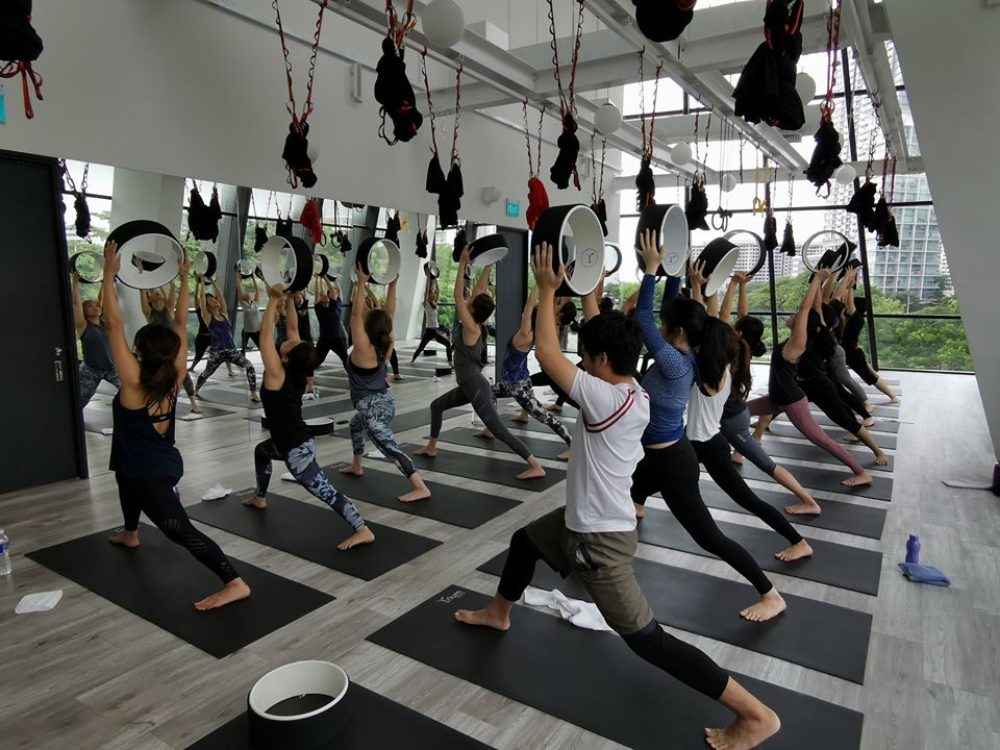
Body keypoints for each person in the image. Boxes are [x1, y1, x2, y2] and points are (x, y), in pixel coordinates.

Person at [455, 242, 781, 750]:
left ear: (601, 361)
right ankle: (500, 612)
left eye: (586, 357)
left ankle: (755, 715)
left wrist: (546, 290)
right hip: (578, 521)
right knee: (524, 541)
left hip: (600, 543)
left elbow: (545, 354)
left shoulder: (604, 397)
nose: (581, 364)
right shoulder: (632, 390)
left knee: (648, 640)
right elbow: (599, 339)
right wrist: (590, 289)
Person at [630, 230, 787, 622]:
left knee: (708, 536)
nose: (662, 325)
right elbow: (668, 313)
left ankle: (770, 594)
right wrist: (671, 271)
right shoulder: (686, 353)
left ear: (679, 331)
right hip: (656, 455)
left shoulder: (675, 362)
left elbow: (643, 320)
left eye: (668, 323)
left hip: (672, 461)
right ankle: (596, 555)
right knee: (624, 494)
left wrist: (651, 271)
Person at [100, 241, 249, 610]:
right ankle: (131, 533)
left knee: (178, 529)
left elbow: (114, 324)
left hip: (149, 472)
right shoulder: (174, 374)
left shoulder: (134, 384)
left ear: (140, 352)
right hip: (153, 461)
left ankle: (234, 582)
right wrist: (182, 279)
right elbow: (181, 323)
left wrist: (108, 273)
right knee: (123, 480)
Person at [687, 265, 813, 560]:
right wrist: (729, 286)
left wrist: (701, 288)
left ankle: (800, 531)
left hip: (724, 429)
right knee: (656, 471)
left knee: (755, 484)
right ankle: (637, 500)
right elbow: (722, 320)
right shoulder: (735, 351)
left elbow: (712, 320)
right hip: (713, 430)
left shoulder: (715, 366)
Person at [243, 286, 374, 550]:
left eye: (292, 343)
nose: (292, 338)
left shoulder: (276, 375)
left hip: (296, 451)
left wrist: (273, 300)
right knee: (262, 451)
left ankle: (363, 529)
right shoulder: (297, 368)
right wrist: (291, 298)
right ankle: (260, 497)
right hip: (292, 441)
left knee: (327, 493)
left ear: (285, 358)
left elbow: (265, 337)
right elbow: (292, 328)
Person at [416, 247, 546, 481]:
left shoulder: (471, 327)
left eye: (472, 301)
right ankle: (431, 447)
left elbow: (458, 296)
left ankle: (535, 464)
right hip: (469, 385)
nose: (470, 298)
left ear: (474, 309)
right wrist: (488, 263)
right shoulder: (475, 322)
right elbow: (479, 291)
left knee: (498, 430)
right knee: (437, 406)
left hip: (475, 385)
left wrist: (462, 263)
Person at [745, 271, 878, 487]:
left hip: (792, 401)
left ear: (803, 324)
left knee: (821, 439)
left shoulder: (796, 345)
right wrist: (822, 281)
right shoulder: (798, 340)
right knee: (738, 411)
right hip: (779, 397)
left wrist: (816, 280)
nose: (793, 315)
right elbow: (816, 306)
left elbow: (807, 308)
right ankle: (743, 448)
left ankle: (861, 472)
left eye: (797, 315)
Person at [715, 271, 821, 515]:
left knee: (766, 464)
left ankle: (809, 501)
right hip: (734, 414)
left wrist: (732, 284)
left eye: (736, 327)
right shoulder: (744, 346)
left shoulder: (730, 350)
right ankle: (738, 453)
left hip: (732, 420)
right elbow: (741, 317)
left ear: (738, 333)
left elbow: (723, 317)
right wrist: (741, 287)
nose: (732, 327)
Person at [339, 267, 430, 502]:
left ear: (367, 327)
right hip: (385, 402)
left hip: (372, 410)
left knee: (390, 448)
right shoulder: (384, 345)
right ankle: (357, 465)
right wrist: (392, 285)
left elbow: (355, 316)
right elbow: (389, 314)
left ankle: (420, 486)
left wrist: (361, 283)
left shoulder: (363, 350)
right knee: (355, 426)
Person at [494, 286, 573, 461]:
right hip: (521, 381)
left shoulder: (525, 334)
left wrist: (540, 283)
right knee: (489, 393)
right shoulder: (534, 333)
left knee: (546, 418)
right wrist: (554, 287)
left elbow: (529, 304)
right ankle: (494, 426)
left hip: (517, 387)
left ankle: (572, 444)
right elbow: (547, 308)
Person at [838, 268, 900, 405]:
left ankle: (892, 397)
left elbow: (849, 303)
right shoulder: (854, 318)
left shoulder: (856, 319)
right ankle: (892, 396)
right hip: (851, 351)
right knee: (871, 375)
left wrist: (850, 286)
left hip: (851, 353)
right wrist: (849, 283)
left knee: (871, 377)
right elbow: (847, 302)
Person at [193, 277, 260, 402]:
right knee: (206, 373)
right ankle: (195, 391)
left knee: (250, 366)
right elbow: (201, 301)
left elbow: (221, 297)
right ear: (208, 306)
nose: (214, 300)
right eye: (210, 300)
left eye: (214, 299)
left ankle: (253, 394)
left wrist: (213, 282)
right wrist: (201, 283)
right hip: (216, 353)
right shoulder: (208, 317)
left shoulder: (224, 314)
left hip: (231, 351)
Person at [140, 283, 200, 413]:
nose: (156, 293)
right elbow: (142, 292)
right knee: (158, 378)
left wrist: (163, 283)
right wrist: (143, 285)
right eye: (152, 293)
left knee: (184, 376)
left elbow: (172, 290)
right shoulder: (149, 312)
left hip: (173, 349)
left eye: (158, 292)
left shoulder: (168, 308)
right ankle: (155, 405)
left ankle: (193, 404)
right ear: (149, 299)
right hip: (158, 351)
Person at [72, 269, 120, 407]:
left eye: (95, 304)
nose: (95, 306)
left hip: (111, 368)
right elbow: (76, 304)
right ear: (84, 311)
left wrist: (104, 282)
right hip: (91, 370)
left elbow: (104, 301)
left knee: (130, 390)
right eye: (89, 306)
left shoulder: (104, 322)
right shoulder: (83, 325)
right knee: (80, 399)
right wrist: (74, 283)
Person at [409, 275, 454, 366]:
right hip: (429, 331)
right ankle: (412, 360)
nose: (433, 294)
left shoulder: (435, 303)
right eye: (431, 293)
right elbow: (426, 293)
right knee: (421, 347)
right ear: (428, 295)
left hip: (436, 330)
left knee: (448, 344)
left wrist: (435, 279)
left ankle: (450, 362)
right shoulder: (426, 304)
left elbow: (438, 291)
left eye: (434, 293)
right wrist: (428, 280)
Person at [313, 275, 349, 370]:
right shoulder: (319, 308)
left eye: (325, 296)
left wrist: (325, 278)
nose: (324, 297)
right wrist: (318, 279)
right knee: (316, 360)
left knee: (345, 358)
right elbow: (317, 293)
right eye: (322, 297)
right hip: (324, 339)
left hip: (337, 339)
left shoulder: (334, 305)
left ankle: (353, 375)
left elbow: (334, 292)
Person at [240, 279, 262, 354]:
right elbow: (239, 289)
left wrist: (253, 278)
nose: (246, 294)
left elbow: (257, 291)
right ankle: (242, 359)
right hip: (247, 330)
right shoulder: (243, 304)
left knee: (262, 348)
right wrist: (239, 278)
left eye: (247, 293)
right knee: (243, 350)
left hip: (256, 330)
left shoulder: (255, 303)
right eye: (245, 294)